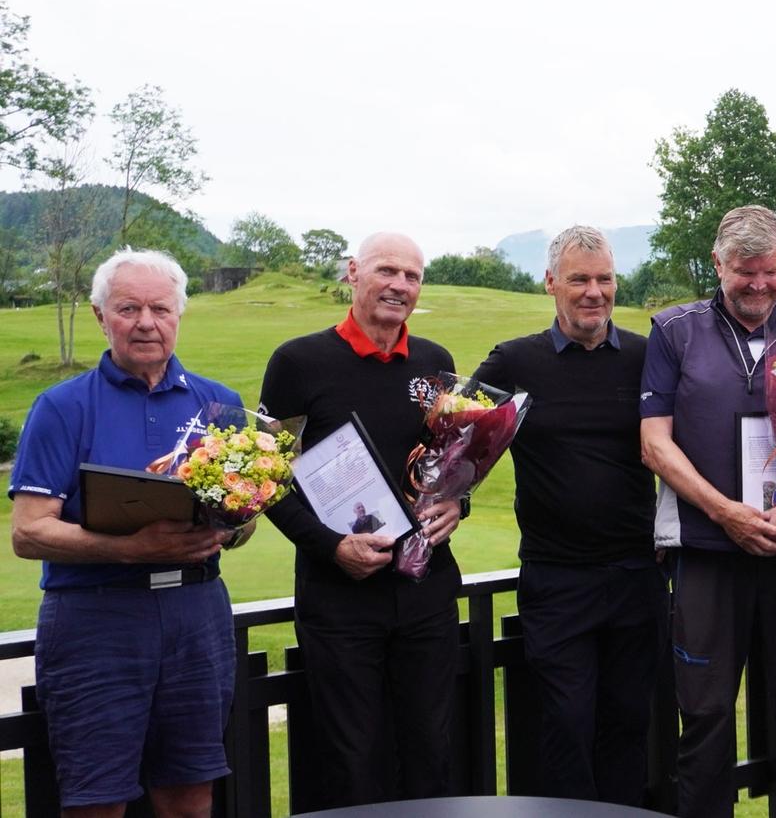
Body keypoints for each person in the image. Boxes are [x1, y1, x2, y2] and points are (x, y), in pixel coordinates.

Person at [640, 205, 776, 818]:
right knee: (706, 722)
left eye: (772, 272)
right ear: (718, 264)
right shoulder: (674, 330)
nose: (759, 285)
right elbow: (654, 442)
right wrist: (724, 513)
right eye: (744, 272)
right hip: (709, 554)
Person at [9, 249, 242, 818]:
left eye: (160, 308)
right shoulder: (62, 407)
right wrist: (128, 549)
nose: (145, 322)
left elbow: (242, 523)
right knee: (98, 801)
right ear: (99, 316)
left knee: (191, 796)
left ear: (179, 314)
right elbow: (28, 532)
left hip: (197, 612)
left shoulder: (220, 405)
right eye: (128, 308)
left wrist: (231, 527)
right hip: (96, 618)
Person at [259, 232, 464, 808]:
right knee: (352, 762)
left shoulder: (434, 362)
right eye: (386, 270)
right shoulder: (298, 362)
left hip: (424, 593)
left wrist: (457, 503)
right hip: (340, 599)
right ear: (353, 273)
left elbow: (445, 465)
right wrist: (330, 547)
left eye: (413, 276)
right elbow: (263, 481)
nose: (400, 285)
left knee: (430, 753)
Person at [470, 226, 664, 805]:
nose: (593, 292)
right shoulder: (514, 361)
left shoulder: (645, 358)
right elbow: (455, 447)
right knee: (566, 729)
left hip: (637, 575)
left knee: (630, 728)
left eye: (604, 279)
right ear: (551, 282)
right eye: (579, 279)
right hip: (558, 581)